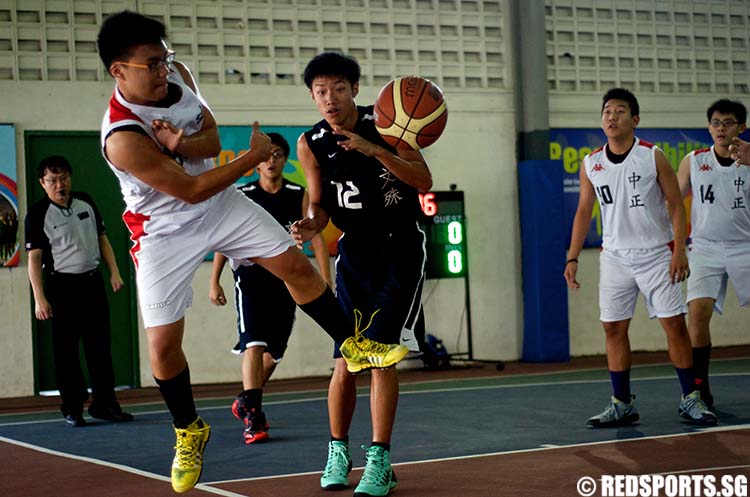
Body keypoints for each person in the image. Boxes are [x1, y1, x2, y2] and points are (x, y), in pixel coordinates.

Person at [96, 13, 408, 494]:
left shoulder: (178, 78)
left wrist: (182, 141)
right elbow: (191, 188)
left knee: (294, 265)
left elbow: (213, 138)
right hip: (163, 229)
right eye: (151, 64)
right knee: (162, 348)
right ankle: (188, 429)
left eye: (165, 58)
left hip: (220, 203)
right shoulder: (122, 138)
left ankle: (354, 341)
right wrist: (253, 155)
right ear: (119, 71)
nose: (164, 70)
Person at [291, 52, 430, 497]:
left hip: (400, 247)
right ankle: (337, 451)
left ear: (354, 89)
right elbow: (318, 203)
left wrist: (374, 150)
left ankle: (380, 460)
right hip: (355, 253)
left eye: (337, 89)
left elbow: (423, 180)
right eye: (319, 91)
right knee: (345, 359)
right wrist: (311, 223)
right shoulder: (310, 143)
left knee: (382, 354)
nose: (328, 99)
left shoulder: (391, 124)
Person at [563, 88, 717, 428]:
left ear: (635, 120)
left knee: (674, 325)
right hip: (615, 256)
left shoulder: (653, 156)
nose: (611, 117)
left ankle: (691, 398)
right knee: (612, 327)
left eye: (619, 111)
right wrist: (572, 257)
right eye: (606, 111)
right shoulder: (591, 163)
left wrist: (680, 250)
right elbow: (584, 211)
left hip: (656, 253)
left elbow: (677, 205)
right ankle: (622, 403)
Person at [208, 132, 331, 444]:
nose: (271, 160)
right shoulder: (243, 194)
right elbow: (224, 237)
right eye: (266, 155)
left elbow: (316, 235)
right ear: (257, 163)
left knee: (275, 351)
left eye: (278, 155)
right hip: (250, 276)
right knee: (254, 343)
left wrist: (324, 277)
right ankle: (253, 415)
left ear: (284, 160)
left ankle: (246, 398)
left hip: (288, 277)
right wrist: (215, 280)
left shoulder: (295, 193)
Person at [25, 155, 133, 428]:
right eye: (52, 180)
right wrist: (40, 298)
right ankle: (73, 407)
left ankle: (105, 404)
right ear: (43, 183)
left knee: (100, 347)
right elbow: (34, 260)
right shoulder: (38, 214)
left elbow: (102, 239)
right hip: (62, 287)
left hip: (92, 283)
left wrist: (115, 272)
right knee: (66, 351)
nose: (59, 185)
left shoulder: (85, 201)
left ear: (70, 179)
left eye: (63, 179)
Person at [677, 99, 750, 408]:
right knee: (697, 313)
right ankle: (699, 388)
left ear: (742, 128)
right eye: (716, 123)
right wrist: (675, 244)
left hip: (744, 245)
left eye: (728, 122)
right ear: (708, 127)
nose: (721, 128)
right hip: (704, 247)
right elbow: (672, 200)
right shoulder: (693, 160)